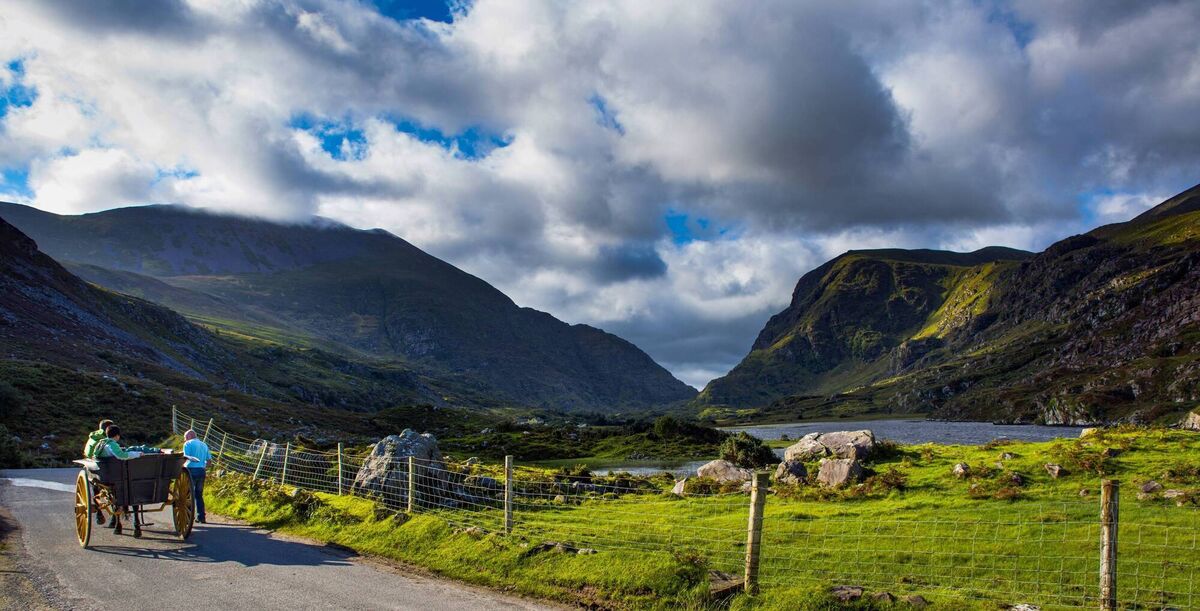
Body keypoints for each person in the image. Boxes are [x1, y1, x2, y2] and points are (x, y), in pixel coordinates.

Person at [182, 429, 211, 524]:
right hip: (201, 471)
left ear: (189, 436)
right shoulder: (204, 444)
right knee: (199, 495)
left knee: (187, 495)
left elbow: (185, 457)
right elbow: (209, 461)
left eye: (185, 438)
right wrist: (202, 467)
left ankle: (188, 517)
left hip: (190, 470)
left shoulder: (188, 444)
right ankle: (201, 516)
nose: (185, 440)